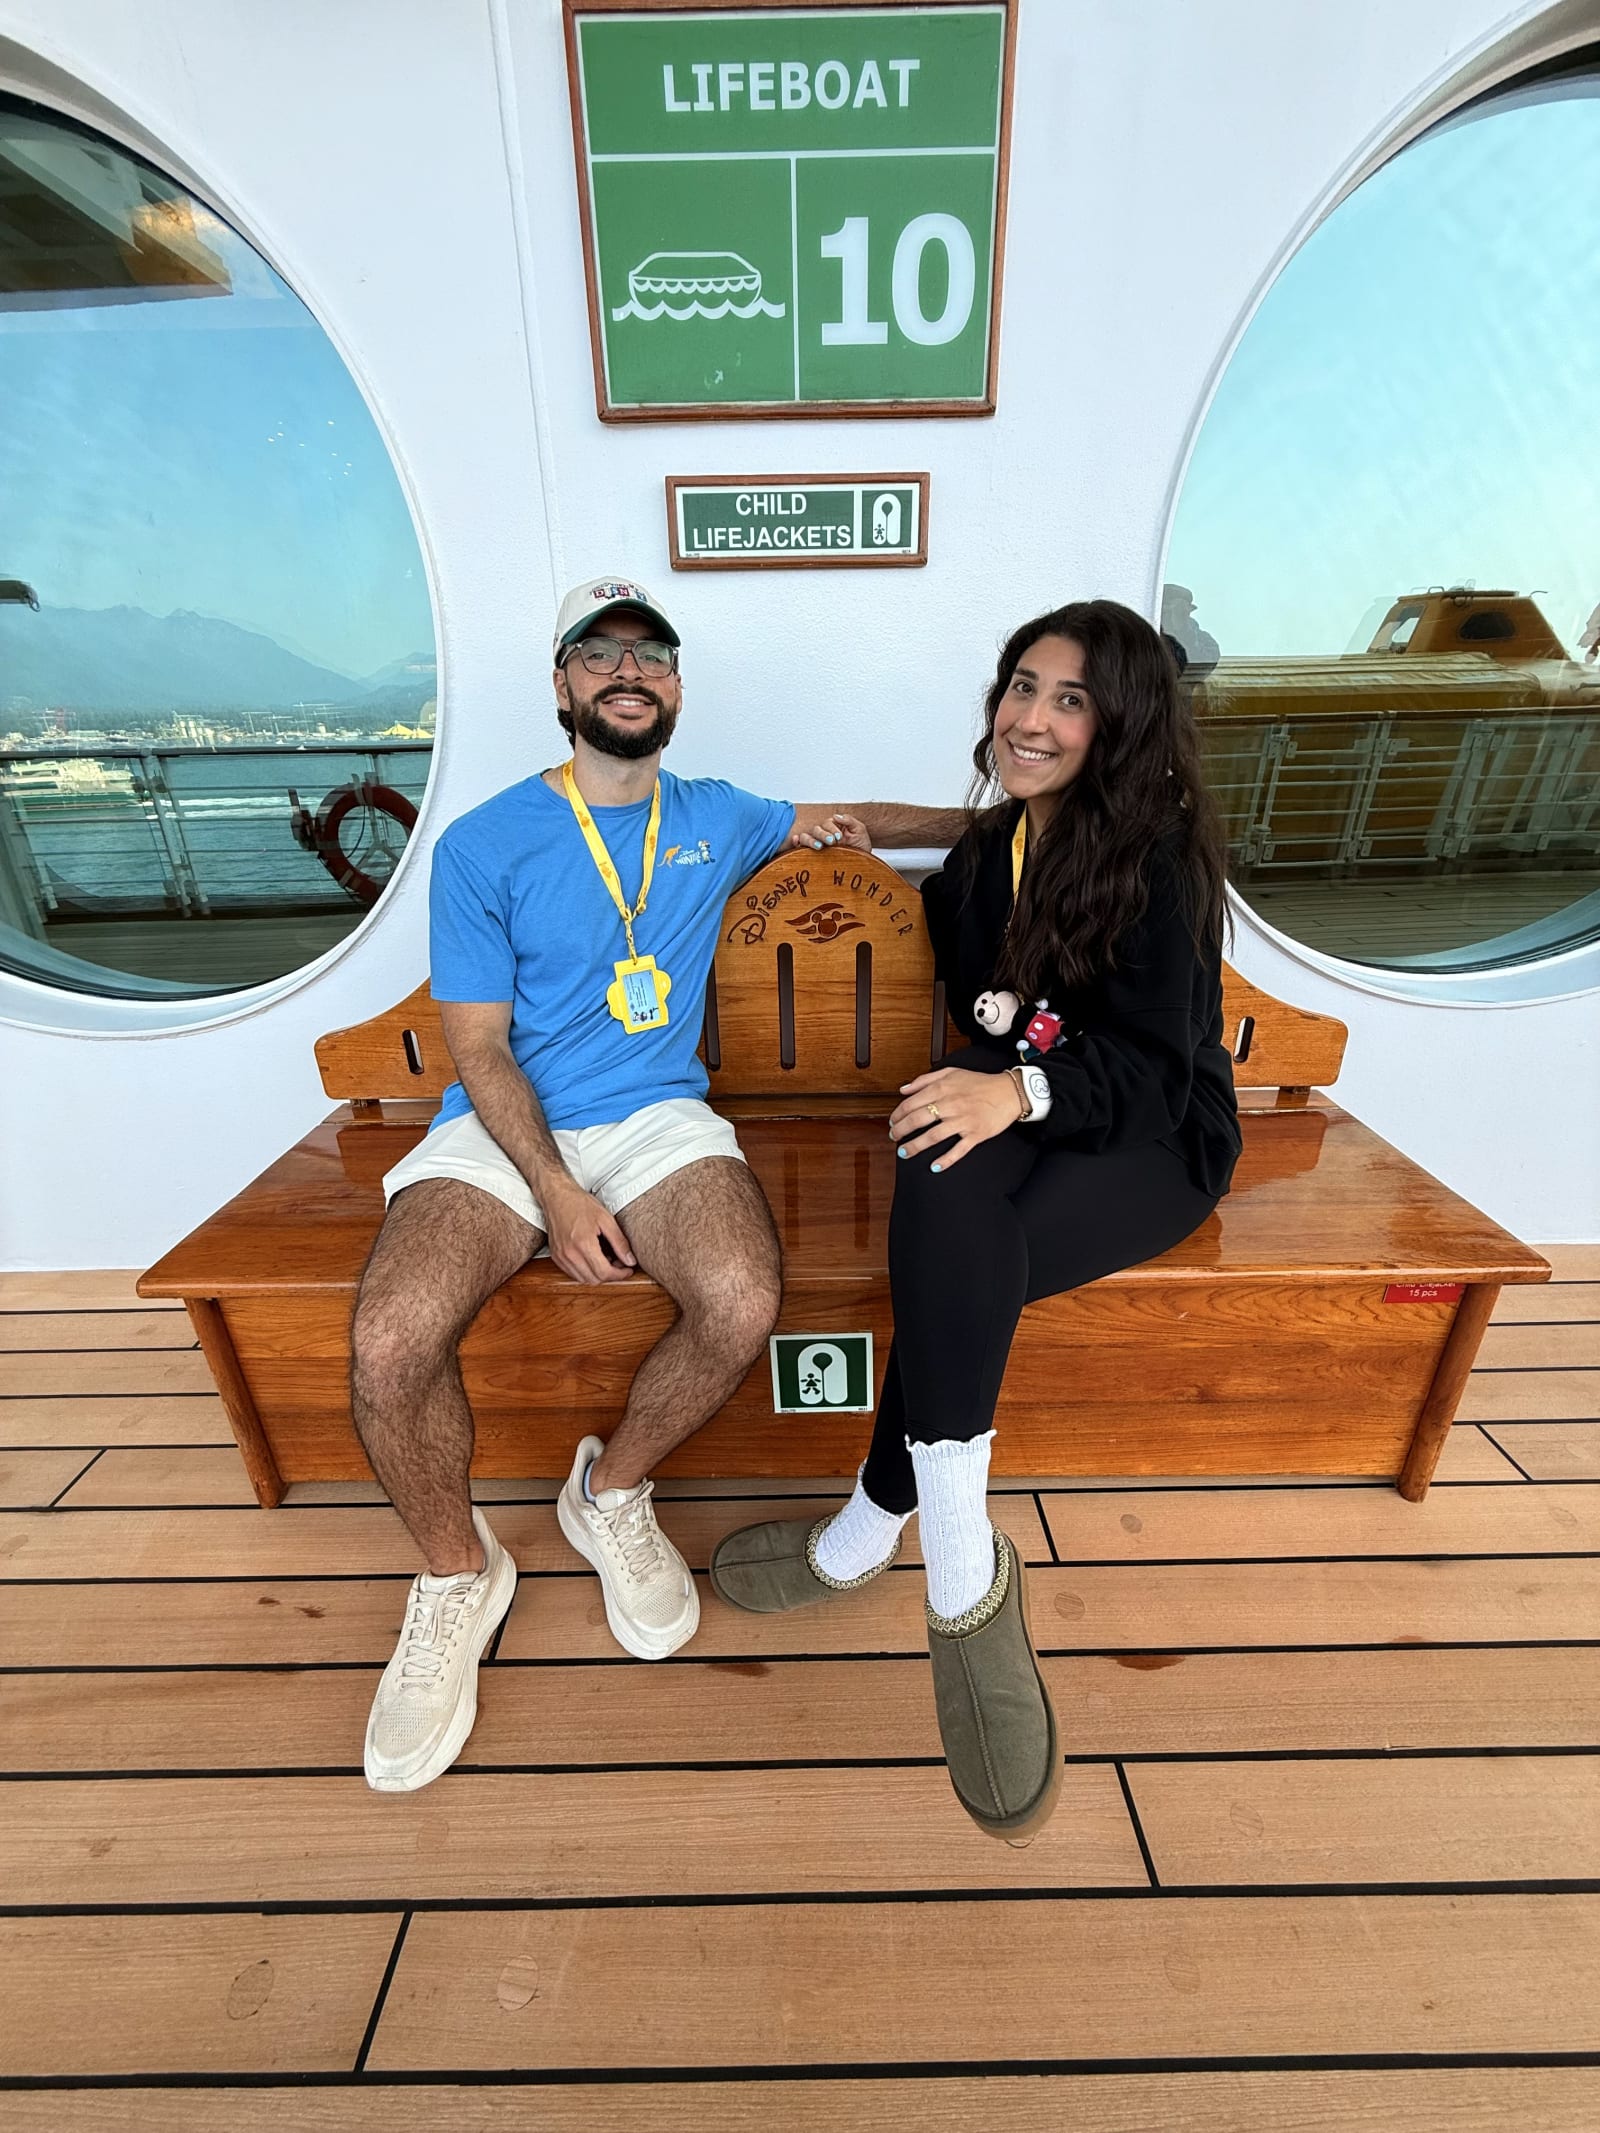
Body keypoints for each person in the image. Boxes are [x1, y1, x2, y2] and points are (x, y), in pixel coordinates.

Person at [353, 572, 962, 1793]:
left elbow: (859, 817)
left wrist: (1021, 813)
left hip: (655, 1117)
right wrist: (555, 1191)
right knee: (387, 1340)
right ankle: (455, 1574)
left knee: (740, 1300)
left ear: (675, 689)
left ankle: (609, 1491)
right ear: (562, 686)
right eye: (600, 653)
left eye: (652, 654)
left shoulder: (718, 813)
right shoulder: (483, 843)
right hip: (506, 1126)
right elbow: (478, 1048)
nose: (628, 671)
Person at [711, 598, 1241, 1842]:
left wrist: (1017, 1091)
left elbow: (1157, 1073)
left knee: (956, 1246)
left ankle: (910, 1552)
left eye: (1071, 699)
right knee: (940, 1170)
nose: (1031, 718)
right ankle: (936, 1554)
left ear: (1122, 725)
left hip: (1151, 1136)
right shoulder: (993, 849)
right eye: (1020, 687)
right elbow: (976, 901)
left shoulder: (1158, 861)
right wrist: (871, 833)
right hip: (1026, 1112)